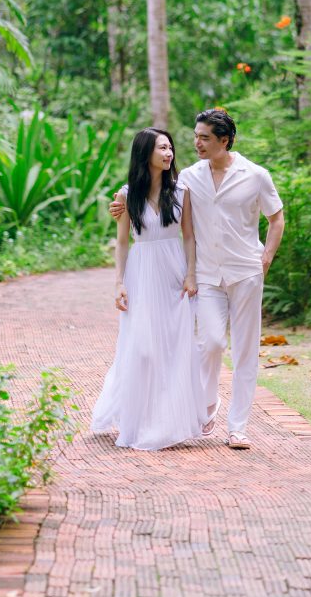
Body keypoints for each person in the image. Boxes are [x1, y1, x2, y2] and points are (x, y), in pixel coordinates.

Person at [111, 109, 284, 451]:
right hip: (206, 274)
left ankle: (237, 428)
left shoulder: (256, 175)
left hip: (246, 271)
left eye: (205, 138)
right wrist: (119, 205)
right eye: (195, 137)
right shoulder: (189, 177)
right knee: (211, 343)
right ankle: (207, 404)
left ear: (225, 140)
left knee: (247, 350)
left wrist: (266, 259)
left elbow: (276, 219)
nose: (197, 143)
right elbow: (154, 194)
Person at [91, 127, 207, 450]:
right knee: (141, 348)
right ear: (146, 154)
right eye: (162, 148)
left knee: (172, 345)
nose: (168, 154)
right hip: (141, 273)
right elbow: (123, 242)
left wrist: (191, 273)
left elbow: (188, 235)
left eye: (170, 148)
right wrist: (118, 282)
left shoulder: (181, 190)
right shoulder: (128, 194)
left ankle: (167, 421)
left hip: (174, 273)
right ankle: (138, 420)